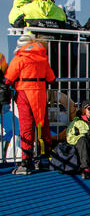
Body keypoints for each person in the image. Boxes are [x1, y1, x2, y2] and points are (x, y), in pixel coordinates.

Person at [4, 36, 55, 175]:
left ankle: (26, 163)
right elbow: (51, 78)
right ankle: (44, 159)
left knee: (26, 127)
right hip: (40, 95)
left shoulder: (19, 59)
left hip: (24, 95)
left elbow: (8, 79)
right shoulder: (43, 59)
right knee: (43, 125)